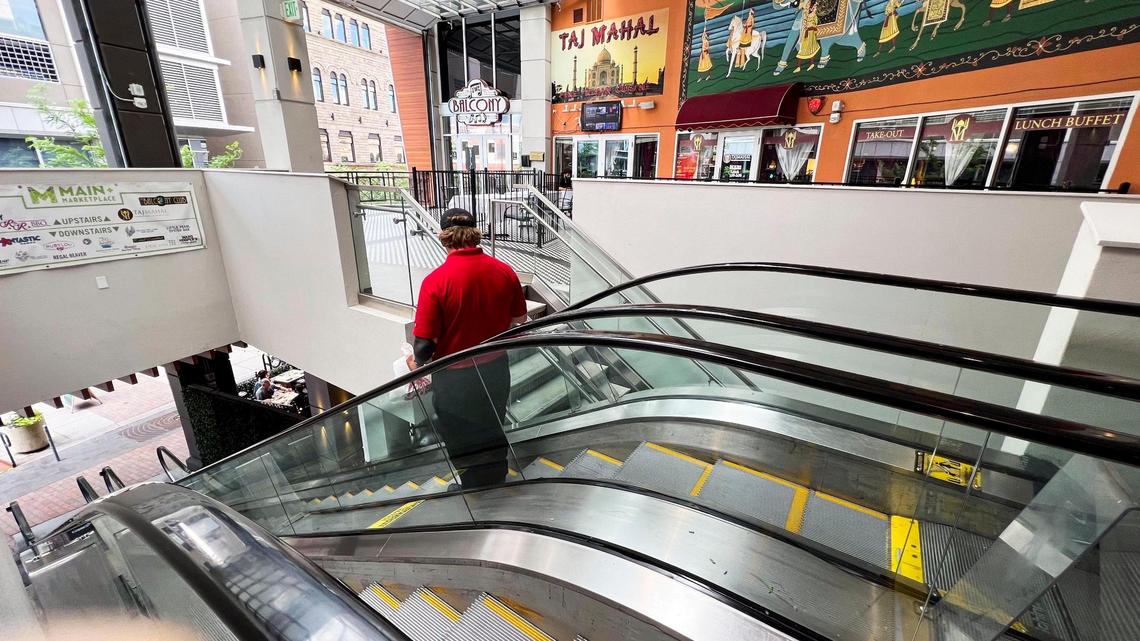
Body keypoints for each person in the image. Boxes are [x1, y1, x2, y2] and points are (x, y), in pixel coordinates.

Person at [411, 208, 527, 489]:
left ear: (443, 238)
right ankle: (496, 477)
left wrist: (415, 363)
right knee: (492, 424)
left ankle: (473, 486)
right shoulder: (504, 270)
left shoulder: (436, 281)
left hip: (455, 377)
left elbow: (425, 344)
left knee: (460, 433)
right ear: (475, 234)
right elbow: (519, 320)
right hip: (496, 368)